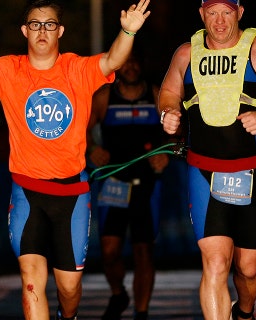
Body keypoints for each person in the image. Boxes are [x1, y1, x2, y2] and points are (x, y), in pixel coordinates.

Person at [0, 0, 151, 319]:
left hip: (71, 196)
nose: (42, 30)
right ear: (24, 31)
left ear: (60, 31)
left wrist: (128, 30)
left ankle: (66, 316)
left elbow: (113, 60)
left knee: (69, 289)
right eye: (35, 24)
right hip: (27, 193)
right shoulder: (8, 71)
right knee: (31, 282)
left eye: (49, 24)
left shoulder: (78, 70)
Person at [158, 0, 256, 319]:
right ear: (201, 14)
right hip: (204, 174)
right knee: (214, 263)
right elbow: (169, 92)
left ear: (240, 13)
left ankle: (244, 312)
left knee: (249, 268)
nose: (219, 21)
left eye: (226, 12)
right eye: (212, 12)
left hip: (254, 176)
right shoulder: (186, 54)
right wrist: (169, 113)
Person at [87, 51, 169, 320]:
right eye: (126, 62)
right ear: (117, 66)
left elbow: (176, 129)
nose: (131, 66)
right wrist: (91, 149)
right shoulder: (103, 98)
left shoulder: (157, 94)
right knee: (109, 251)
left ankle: (141, 312)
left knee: (144, 250)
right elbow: (80, 129)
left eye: (136, 61)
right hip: (114, 182)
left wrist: (164, 152)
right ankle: (118, 294)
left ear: (142, 65)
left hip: (147, 184)